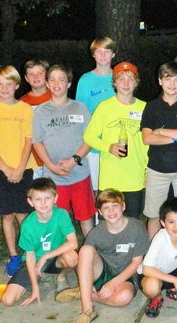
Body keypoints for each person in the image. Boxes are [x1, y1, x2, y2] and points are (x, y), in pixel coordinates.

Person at [55, 189, 150, 323]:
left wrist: (113, 283)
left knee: (124, 298)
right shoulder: (96, 232)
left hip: (126, 275)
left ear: (123, 206)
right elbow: (84, 262)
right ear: (100, 212)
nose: (111, 211)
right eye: (106, 208)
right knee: (85, 250)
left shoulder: (137, 228)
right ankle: (87, 310)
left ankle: (85, 293)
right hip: (102, 271)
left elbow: (136, 262)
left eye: (115, 206)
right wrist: (90, 279)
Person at [0, 65, 37, 277]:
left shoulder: (26, 109)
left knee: (24, 214)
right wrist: (5, 168)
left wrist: (20, 168)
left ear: (17, 85)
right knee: (7, 216)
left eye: (9, 84)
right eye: (0, 84)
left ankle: (29, 253)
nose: (4, 88)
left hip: (24, 168)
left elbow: (29, 140)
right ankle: (13, 256)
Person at [32, 64, 96, 236]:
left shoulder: (80, 108)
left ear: (69, 83)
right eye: (52, 79)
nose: (56, 83)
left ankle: (90, 250)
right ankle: (62, 251)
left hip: (79, 174)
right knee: (57, 220)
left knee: (85, 217)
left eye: (61, 79)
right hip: (53, 177)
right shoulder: (41, 111)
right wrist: (51, 166)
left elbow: (90, 139)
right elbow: (37, 142)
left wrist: (74, 160)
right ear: (47, 83)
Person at [83, 62, 149, 219]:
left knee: (132, 222)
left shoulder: (145, 108)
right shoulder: (104, 107)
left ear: (136, 83)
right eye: (121, 79)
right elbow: (89, 136)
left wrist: (148, 171)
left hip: (135, 177)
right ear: (114, 83)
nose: (126, 83)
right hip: (110, 178)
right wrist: (108, 147)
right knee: (109, 221)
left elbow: (148, 144)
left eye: (130, 79)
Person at [0, 177, 79, 307]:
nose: (43, 203)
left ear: (55, 198)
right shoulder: (27, 225)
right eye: (38, 199)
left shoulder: (61, 214)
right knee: (7, 300)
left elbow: (73, 243)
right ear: (30, 202)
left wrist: (45, 256)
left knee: (72, 257)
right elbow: (30, 256)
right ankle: (42, 277)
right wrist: (35, 288)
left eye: (47, 198)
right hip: (34, 262)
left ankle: (60, 277)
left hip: (56, 258)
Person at [140, 62, 177, 237]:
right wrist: (176, 137)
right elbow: (147, 138)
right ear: (160, 81)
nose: (172, 84)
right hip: (157, 168)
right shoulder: (151, 107)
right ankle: (153, 250)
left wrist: (160, 131)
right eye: (168, 79)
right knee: (154, 215)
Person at [76, 37, 117, 192]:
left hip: (117, 141)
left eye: (107, 51)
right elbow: (81, 112)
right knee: (97, 188)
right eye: (99, 51)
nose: (103, 55)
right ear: (93, 54)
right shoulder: (85, 80)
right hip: (94, 145)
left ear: (113, 54)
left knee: (116, 187)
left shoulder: (120, 78)